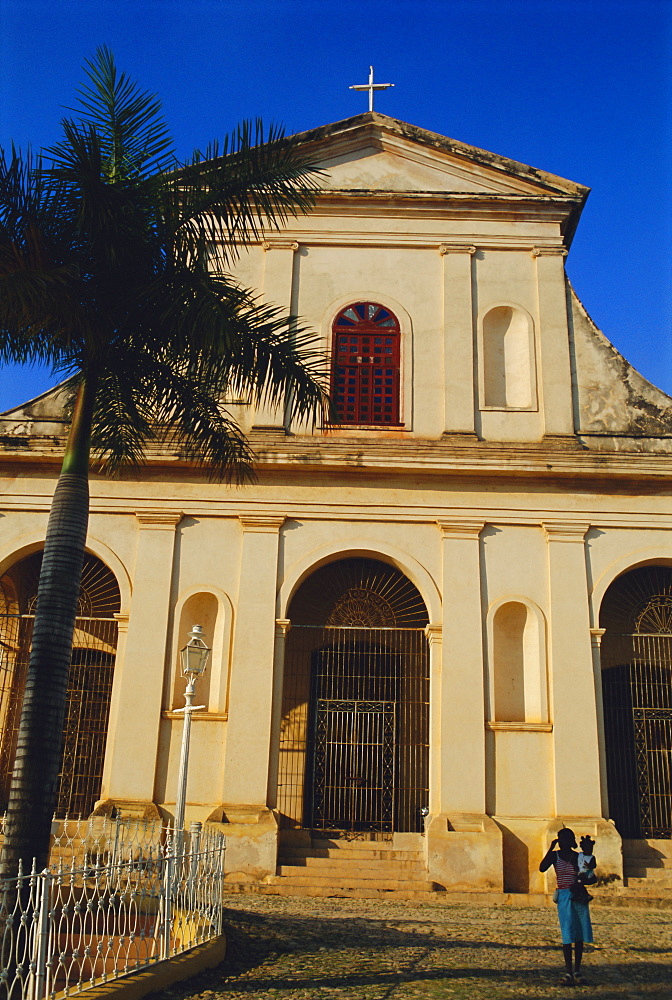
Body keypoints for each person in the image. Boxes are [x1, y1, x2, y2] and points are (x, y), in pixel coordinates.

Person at [540, 828, 595, 985]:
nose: (564, 841)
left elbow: (591, 876)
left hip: (578, 895)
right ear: (558, 840)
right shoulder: (555, 855)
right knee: (567, 933)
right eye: (561, 838)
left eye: (566, 838)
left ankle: (577, 970)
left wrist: (583, 878)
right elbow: (542, 868)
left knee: (579, 934)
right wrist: (550, 848)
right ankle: (568, 971)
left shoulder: (579, 856)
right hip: (564, 895)